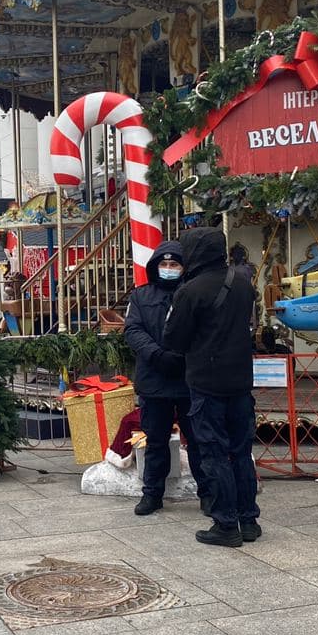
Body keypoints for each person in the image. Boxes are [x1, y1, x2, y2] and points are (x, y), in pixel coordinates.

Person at [163, 226, 261, 548]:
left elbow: (174, 340)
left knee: (214, 453)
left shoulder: (190, 291)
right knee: (242, 452)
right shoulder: (243, 284)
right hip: (241, 381)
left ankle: (225, 523)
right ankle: (249, 520)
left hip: (207, 383)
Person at [123, 241, 208, 516]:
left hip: (188, 379)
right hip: (154, 378)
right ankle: (152, 494)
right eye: (164, 264)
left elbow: (203, 331)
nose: (169, 269)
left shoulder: (193, 294)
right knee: (156, 442)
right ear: (155, 266)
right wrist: (157, 355)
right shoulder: (140, 296)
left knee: (197, 441)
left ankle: (208, 493)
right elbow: (133, 330)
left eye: (174, 265)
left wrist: (182, 356)